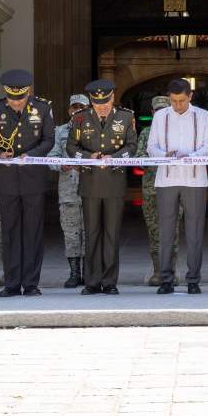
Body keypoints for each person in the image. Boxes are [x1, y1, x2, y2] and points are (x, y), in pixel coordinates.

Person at [0, 69, 55, 297]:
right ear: (6, 95)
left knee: (33, 231)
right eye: (12, 100)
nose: (16, 104)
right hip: (7, 179)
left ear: (28, 93)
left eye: (20, 99)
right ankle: (12, 282)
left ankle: (31, 283)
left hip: (33, 177)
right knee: (10, 231)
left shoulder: (43, 108)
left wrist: (31, 155)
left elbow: (49, 140)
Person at [67, 79, 137, 295]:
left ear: (113, 98)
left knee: (112, 234)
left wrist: (114, 157)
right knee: (92, 233)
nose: (102, 105)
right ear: (91, 101)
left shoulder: (126, 117)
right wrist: (90, 156)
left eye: (106, 101)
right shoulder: (80, 118)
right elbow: (71, 147)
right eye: (98, 103)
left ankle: (109, 281)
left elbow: (132, 146)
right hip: (90, 183)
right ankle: (92, 281)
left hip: (115, 183)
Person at [147, 78, 208, 295]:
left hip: (194, 179)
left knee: (195, 231)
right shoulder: (160, 116)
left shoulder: (203, 116)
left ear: (190, 96)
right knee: (166, 231)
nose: (178, 105)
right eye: (174, 101)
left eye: (182, 100)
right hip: (166, 179)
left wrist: (191, 156)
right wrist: (164, 155)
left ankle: (193, 279)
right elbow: (151, 147)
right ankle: (166, 279)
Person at [136, 95, 182, 286]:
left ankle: (171, 271)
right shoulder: (146, 133)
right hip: (152, 188)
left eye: (165, 110)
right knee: (154, 230)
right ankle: (157, 271)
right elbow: (138, 158)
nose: (161, 114)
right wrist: (156, 155)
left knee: (173, 230)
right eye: (158, 110)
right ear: (153, 113)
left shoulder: (180, 130)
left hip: (175, 185)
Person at [47, 94, 89, 288]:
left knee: (90, 230)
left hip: (91, 187)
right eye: (74, 107)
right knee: (71, 232)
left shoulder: (95, 129)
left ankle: (89, 271)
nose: (77, 110)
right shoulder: (60, 131)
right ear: (69, 109)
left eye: (81, 107)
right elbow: (52, 156)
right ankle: (74, 273)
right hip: (68, 189)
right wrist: (60, 165)